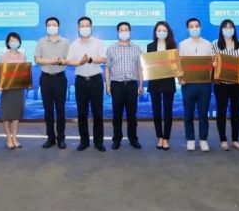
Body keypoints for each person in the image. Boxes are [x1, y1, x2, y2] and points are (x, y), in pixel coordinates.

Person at [65, 17, 107, 152]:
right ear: (78, 28)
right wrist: (79, 62)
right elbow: (68, 61)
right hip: (81, 82)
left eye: (87, 25)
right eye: (82, 26)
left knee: (98, 113)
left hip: (96, 81)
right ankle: (84, 142)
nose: (84, 28)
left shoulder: (98, 43)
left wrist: (90, 59)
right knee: (82, 113)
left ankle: (99, 142)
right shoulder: (74, 44)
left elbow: (104, 59)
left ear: (91, 27)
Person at [105, 21, 143, 150]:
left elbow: (139, 68)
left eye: (126, 29)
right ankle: (117, 139)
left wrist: (141, 84)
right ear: (118, 32)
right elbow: (107, 68)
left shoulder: (137, 48)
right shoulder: (111, 48)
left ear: (130, 31)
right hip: (117, 85)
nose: (124, 32)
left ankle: (133, 139)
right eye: (121, 30)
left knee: (132, 114)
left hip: (132, 85)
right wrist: (107, 84)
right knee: (117, 114)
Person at [34, 17, 70, 149]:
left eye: (54, 24)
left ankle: (61, 138)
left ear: (58, 27)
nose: (52, 27)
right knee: (48, 110)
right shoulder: (41, 42)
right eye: (49, 25)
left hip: (60, 78)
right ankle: (50, 138)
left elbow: (69, 59)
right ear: (46, 27)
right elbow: (37, 59)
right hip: (46, 79)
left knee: (60, 110)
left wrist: (60, 61)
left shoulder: (65, 42)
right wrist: (50, 61)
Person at [178, 18, 213, 152]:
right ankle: (190, 139)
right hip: (188, 84)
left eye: (196, 26)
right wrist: (180, 78)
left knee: (203, 113)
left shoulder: (208, 44)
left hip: (204, 84)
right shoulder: (183, 44)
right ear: (187, 29)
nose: (194, 28)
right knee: (188, 114)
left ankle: (203, 140)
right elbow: (179, 64)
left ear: (200, 27)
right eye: (191, 26)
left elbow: (212, 63)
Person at [212, 19, 239, 151]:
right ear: (221, 30)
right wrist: (213, 64)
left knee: (235, 112)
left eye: (230, 27)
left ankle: (235, 140)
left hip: (238, 84)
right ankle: (223, 140)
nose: (228, 29)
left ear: (234, 29)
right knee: (221, 112)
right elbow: (212, 63)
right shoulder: (215, 45)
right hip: (221, 84)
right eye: (225, 27)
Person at [146, 21, 177, 151]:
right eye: (159, 30)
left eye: (164, 30)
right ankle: (159, 136)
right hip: (154, 82)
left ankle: (166, 138)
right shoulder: (150, 46)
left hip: (168, 81)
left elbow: (175, 65)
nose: (161, 32)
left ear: (168, 32)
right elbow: (148, 64)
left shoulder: (172, 46)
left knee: (168, 111)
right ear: (155, 32)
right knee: (156, 111)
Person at [0, 32, 28, 150]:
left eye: (16, 40)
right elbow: (0, 73)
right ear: (7, 43)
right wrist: (0, 85)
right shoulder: (4, 57)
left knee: (16, 115)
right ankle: (8, 138)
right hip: (7, 90)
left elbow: (25, 73)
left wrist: (27, 83)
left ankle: (14, 137)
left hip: (19, 90)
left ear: (19, 42)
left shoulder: (23, 56)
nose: (14, 42)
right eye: (11, 40)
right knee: (6, 115)